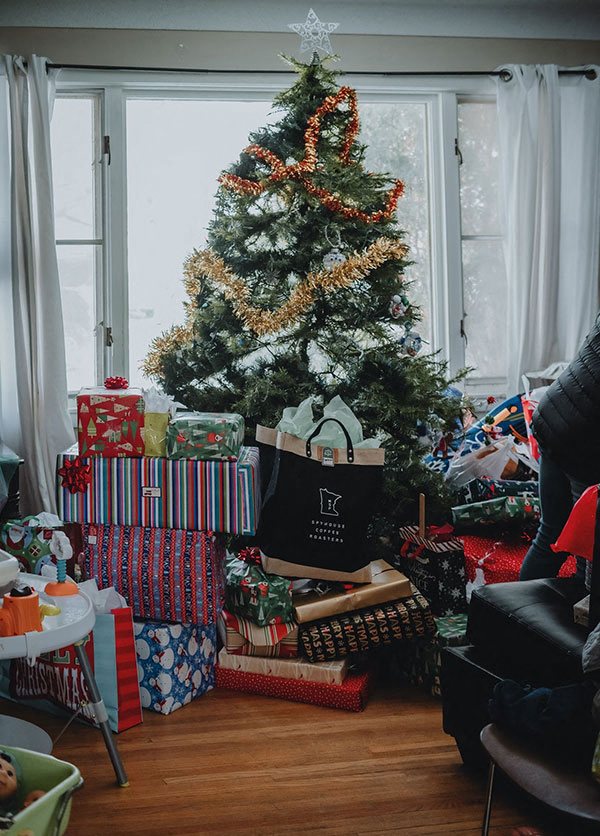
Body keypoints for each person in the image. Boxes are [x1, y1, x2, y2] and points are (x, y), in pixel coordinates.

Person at [520, 315, 600, 581]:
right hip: (584, 438)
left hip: (553, 416)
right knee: (587, 550)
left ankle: (515, 620)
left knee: (550, 533)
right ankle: (582, 621)